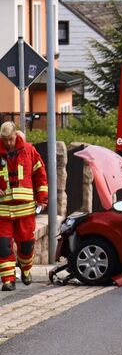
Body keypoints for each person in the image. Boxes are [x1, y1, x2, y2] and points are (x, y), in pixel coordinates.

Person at [0, 122, 47, 291]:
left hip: (25, 209)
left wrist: (42, 199)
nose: (8, 143)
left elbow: (40, 175)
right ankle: (8, 280)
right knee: (3, 246)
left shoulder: (29, 150)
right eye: (5, 140)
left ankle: (25, 269)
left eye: (11, 139)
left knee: (26, 244)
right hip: (3, 210)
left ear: (16, 136)